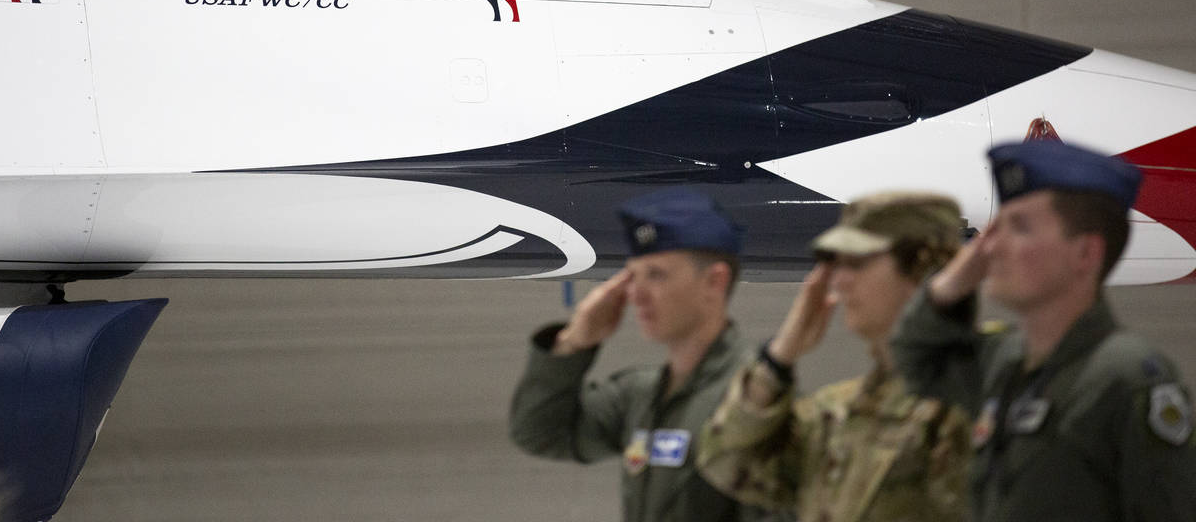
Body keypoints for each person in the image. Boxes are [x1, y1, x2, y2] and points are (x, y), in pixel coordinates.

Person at [891, 139, 1196, 521]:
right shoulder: (1006, 360)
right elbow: (915, 361)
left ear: (1085, 253)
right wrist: (954, 281)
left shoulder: (1127, 378)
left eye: (1018, 228)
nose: (992, 247)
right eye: (993, 230)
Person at [697, 191, 971, 521]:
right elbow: (725, 461)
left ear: (921, 270)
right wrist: (779, 358)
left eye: (857, 263)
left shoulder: (974, 406)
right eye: (835, 264)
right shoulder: (838, 412)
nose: (837, 281)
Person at [508, 187, 765, 522]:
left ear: (715, 281)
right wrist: (574, 343)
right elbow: (540, 432)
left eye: (656, 275)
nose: (637, 295)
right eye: (633, 277)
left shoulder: (756, 405)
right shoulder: (640, 397)